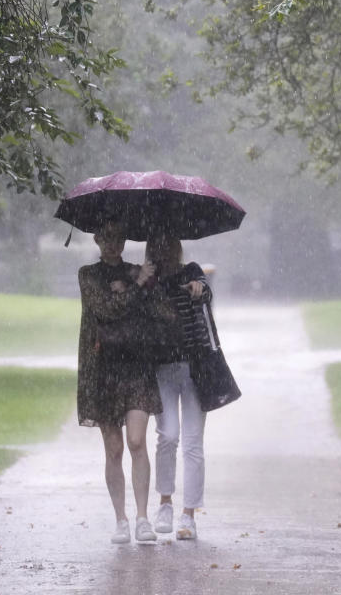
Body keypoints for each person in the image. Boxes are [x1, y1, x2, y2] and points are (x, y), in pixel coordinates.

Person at [77, 220, 161, 544]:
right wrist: (134, 288)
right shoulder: (88, 275)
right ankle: (121, 520)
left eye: (118, 237)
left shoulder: (138, 271)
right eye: (106, 237)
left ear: (125, 240)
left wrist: (140, 283)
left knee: (137, 441)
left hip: (136, 366)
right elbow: (106, 310)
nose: (112, 243)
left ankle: (143, 517)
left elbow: (153, 313)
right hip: (103, 369)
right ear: (97, 239)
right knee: (113, 448)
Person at [145, 233, 212, 541]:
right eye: (159, 245)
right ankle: (165, 503)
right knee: (168, 436)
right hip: (162, 368)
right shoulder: (148, 281)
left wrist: (200, 289)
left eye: (169, 244)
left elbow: (206, 292)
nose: (165, 250)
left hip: (195, 368)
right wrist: (139, 283)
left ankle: (189, 514)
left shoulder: (191, 272)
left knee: (193, 443)